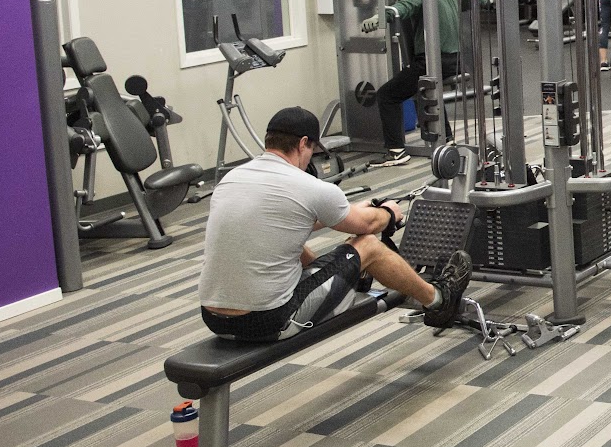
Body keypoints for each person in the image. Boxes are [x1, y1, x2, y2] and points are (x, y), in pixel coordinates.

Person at [197, 107, 469, 342]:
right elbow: (367, 225)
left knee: (283, 239)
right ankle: (439, 300)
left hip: (214, 319)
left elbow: (291, 221)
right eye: (312, 151)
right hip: (268, 321)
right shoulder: (308, 185)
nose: (310, 159)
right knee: (368, 245)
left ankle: (342, 281)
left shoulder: (232, 178)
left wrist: (333, 259)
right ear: (303, 143)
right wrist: (388, 212)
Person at [362, 0, 470, 167]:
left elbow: (403, 6)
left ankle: (396, 152)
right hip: (455, 61)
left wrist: (381, 17)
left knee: (387, 95)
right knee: (426, 87)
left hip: (431, 61)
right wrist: (490, 0)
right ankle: (447, 139)